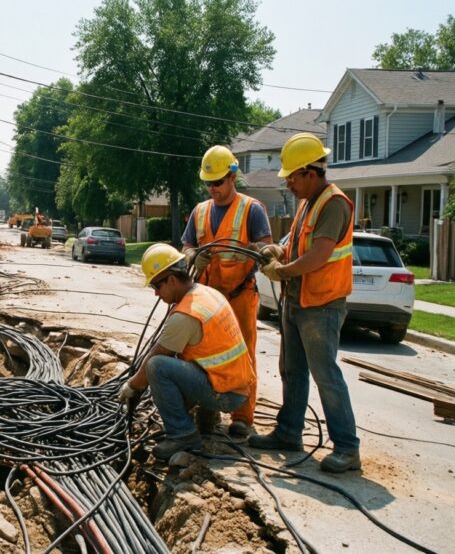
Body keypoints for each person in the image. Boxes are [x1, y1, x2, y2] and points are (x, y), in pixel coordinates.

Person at [250, 133, 361, 474]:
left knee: (325, 374)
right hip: (297, 302)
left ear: (311, 173)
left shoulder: (334, 204)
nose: (288, 182)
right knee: (293, 370)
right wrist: (275, 252)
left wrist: (281, 271)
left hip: (322, 304)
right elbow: (294, 244)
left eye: (292, 176)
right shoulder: (307, 204)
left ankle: (347, 448)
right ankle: (288, 432)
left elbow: (319, 255)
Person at [119, 244, 257, 460]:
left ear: (172, 280)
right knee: (179, 365)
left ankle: (183, 434)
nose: (156, 293)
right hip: (234, 385)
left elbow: (155, 358)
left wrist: (132, 386)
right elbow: (204, 357)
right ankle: (204, 423)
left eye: (157, 285)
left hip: (226, 394)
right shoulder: (206, 293)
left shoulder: (186, 315)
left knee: (158, 367)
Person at [181, 145, 281, 438]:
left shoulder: (251, 209)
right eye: (208, 183)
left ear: (232, 177)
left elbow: (265, 247)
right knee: (199, 353)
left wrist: (258, 251)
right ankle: (206, 411)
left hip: (239, 295)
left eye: (218, 182)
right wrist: (191, 257)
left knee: (243, 355)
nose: (213, 188)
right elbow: (186, 245)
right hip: (206, 299)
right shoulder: (200, 212)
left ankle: (242, 418)